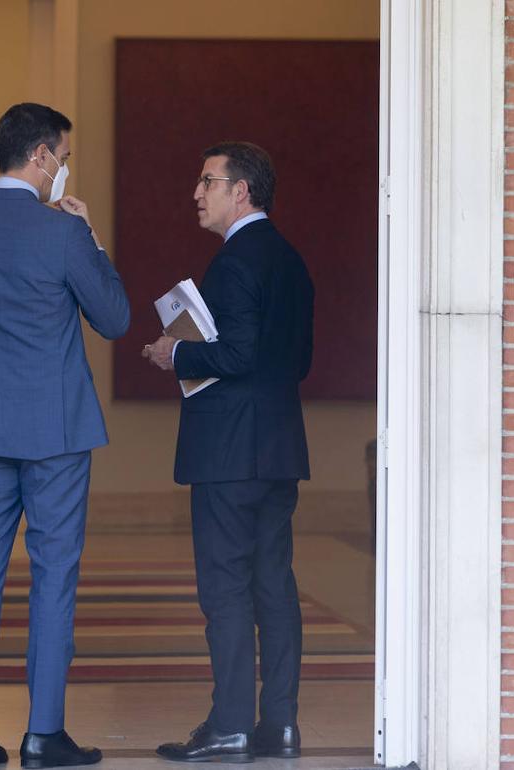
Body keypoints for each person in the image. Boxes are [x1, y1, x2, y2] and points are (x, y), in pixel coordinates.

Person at [0, 102, 130, 770]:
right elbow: (115, 318)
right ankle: (43, 734)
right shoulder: (62, 235)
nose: (63, 170)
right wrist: (90, 234)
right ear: (39, 155)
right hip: (57, 431)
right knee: (52, 576)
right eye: (61, 157)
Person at [143, 141, 314, 763]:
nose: (198, 192)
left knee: (225, 591)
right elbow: (294, 361)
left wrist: (176, 353)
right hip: (278, 450)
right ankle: (281, 725)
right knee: (275, 586)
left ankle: (231, 724)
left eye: (208, 181)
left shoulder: (236, 261)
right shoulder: (290, 260)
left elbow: (236, 354)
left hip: (229, 455)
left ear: (241, 191)